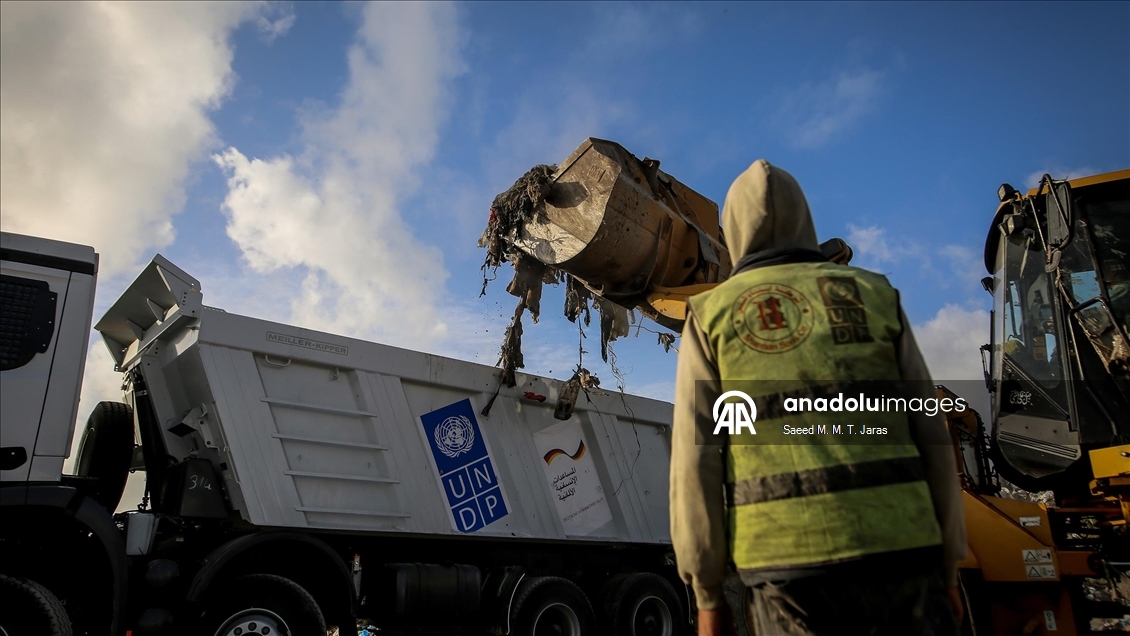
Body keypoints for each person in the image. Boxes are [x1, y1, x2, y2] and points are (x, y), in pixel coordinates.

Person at [669, 160, 967, 635]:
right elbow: (930, 434)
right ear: (805, 220)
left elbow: (695, 463)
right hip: (904, 557)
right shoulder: (875, 294)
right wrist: (951, 564)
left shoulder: (710, 315)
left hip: (786, 572)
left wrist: (707, 597)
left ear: (733, 233)